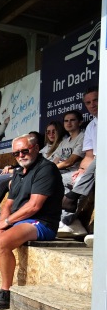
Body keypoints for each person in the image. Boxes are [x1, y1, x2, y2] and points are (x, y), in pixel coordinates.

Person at [0, 134, 63, 309]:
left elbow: (34, 206)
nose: (20, 156)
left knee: (0, 241)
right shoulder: (18, 172)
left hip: (41, 222)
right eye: (16, 153)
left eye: (24, 151)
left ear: (36, 148)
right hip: (18, 220)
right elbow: (8, 204)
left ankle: (6, 291)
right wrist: (3, 223)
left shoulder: (46, 169)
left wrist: (6, 223)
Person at [62, 86, 98, 216]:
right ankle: (70, 220)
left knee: (100, 157)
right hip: (94, 170)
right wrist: (82, 170)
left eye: (96, 100)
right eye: (88, 102)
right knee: (63, 179)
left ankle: (72, 199)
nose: (92, 105)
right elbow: (89, 156)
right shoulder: (91, 126)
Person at [53, 111, 84, 188]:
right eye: (66, 121)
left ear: (80, 122)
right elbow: (56, 160)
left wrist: (50, 168)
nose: (69, 123)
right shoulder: (64, 142)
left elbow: (70, 162)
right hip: (61, 172)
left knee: (50, 180)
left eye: (72, 120)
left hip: (75, 173)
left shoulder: (83, 137)